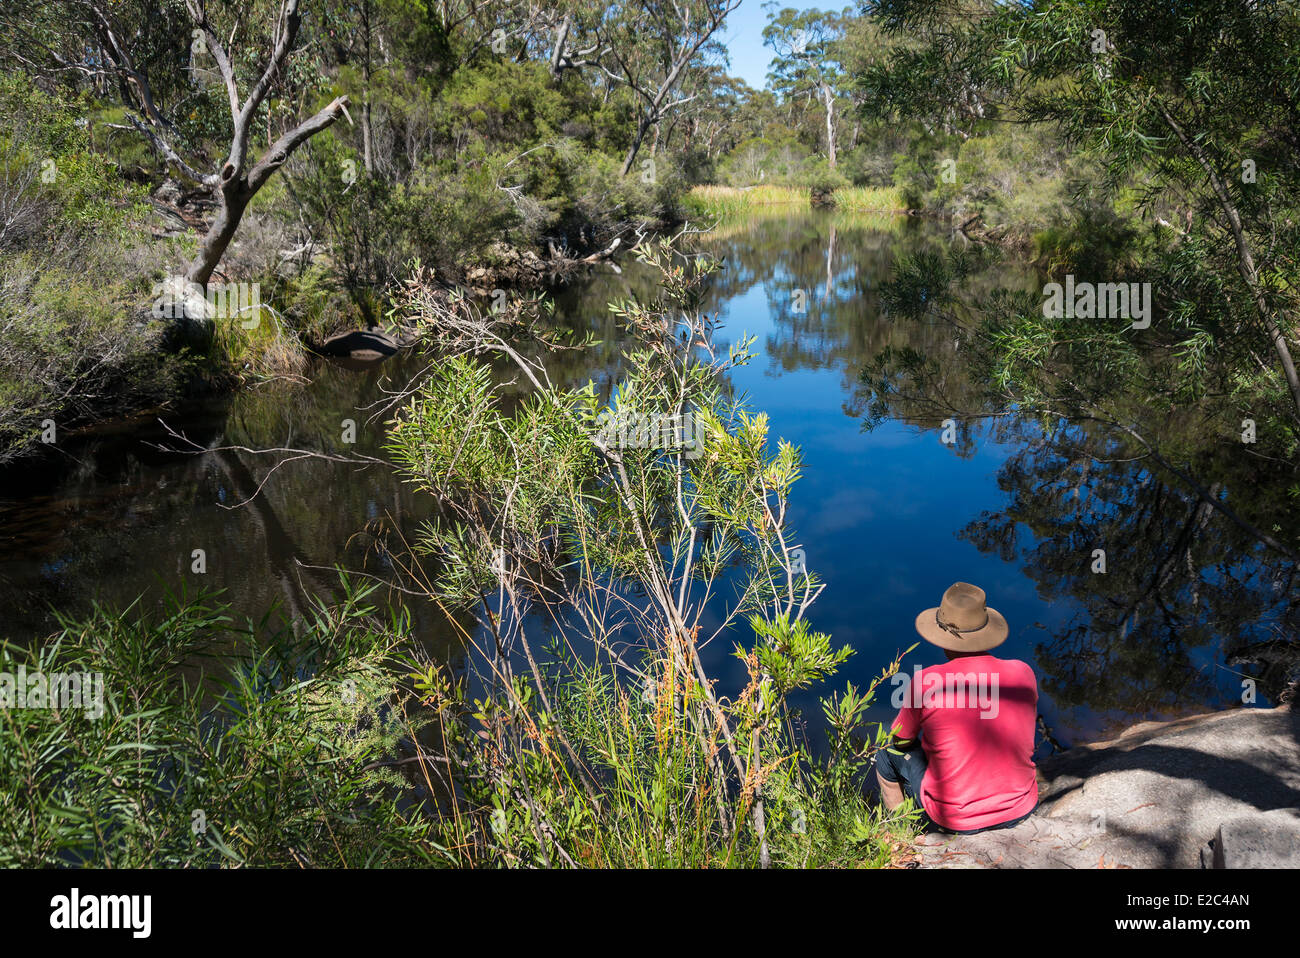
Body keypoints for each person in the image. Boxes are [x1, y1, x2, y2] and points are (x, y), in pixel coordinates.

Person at [874, 582, 1039, 834]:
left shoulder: (926, 682)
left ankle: (902, 834)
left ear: (942, 637)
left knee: (886, 748)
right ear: (986, 632)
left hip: (954, 820)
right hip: (1021, 808)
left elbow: (901, 740)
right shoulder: (1023, 673)